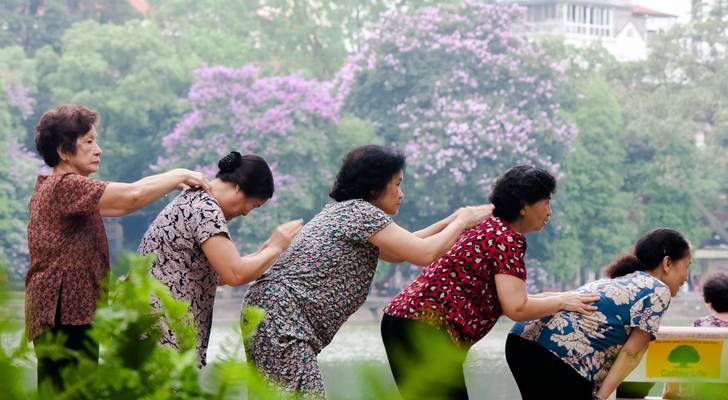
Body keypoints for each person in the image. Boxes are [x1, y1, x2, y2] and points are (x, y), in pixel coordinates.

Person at [241, 145, 491, 397]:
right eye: (397, 184)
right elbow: (423, 253)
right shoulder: (363, 214)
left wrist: (451, 221)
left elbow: (401, 249)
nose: (401, 194)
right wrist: (463, 221)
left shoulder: (345, 212)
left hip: (269, 311)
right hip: (283, 318)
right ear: (374, 186)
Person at [26, 104, 212, 392]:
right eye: (89, 141)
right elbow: (132, 196)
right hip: (65, 313)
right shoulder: (66, 186)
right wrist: (178, 175)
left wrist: (176, 178)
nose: (98, 149)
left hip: (67, 312)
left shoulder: (61, 188)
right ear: (64, 150)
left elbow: (131, 191)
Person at [381, 165, 599, 400]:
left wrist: (556, 298)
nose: (550, 212)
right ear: (524, 205)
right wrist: (560, 302)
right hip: (426, 329)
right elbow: (516, 308)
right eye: (546, 202)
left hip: (403, 320)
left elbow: (510, 298)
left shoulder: (487, 227)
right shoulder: (506, 238)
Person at [137, 151, 303, 366]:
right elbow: (235, 274)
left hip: (151, 332)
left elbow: (218, 273)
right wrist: (276, 247)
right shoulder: (206, 210)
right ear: (237, 188)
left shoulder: (195, 199)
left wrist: (264, 252)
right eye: (253, 205)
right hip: (162, 336)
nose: (246, 213)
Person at [507, 228, 692, 400]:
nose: (686, 276)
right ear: (667, 263)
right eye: (687, 266)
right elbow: (631, 353)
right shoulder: (658, 290)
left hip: (522, 339)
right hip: (558, 354)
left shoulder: (625, 280)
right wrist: (601, 397)